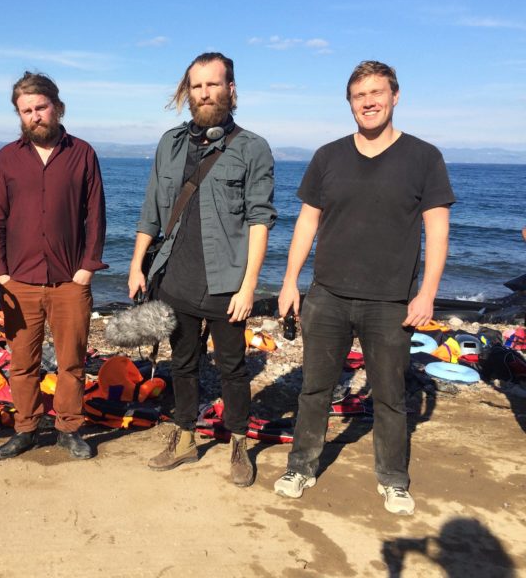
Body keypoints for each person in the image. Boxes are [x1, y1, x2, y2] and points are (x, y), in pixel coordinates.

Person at [273, 61, 455, 515]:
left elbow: (437, 230)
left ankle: (393, 479)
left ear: (395, 96)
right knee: (314, 389)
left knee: (390, 396)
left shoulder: (423, 157)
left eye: (377, 92)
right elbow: (307, 222)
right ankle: (302, 466)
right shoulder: (328, 156)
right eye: (359, 95)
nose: (369, 101)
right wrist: (290, 282)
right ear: (349, 103)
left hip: (391, 301)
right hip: (327, 296)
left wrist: (426, 292)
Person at [128, 52, 276, 487]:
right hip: (175, 278)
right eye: (197, 86)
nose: (205, 92)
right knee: (184, 363)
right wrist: (138, 264)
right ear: (187, 92)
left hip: (227, 284)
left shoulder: (253, 148)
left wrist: (249, 287)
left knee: (232, 369)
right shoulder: (169, 144)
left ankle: (238, 445)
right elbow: (152, 209)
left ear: (231, 89)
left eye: (213, 84)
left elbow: (259, 220)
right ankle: (185, 437)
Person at [0, 72, 107, 460]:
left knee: (71, 361)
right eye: (26, 111)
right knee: (22, 363)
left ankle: (69, 428)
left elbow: (95, 215)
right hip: (18, 280)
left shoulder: (82, 152)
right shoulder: (7, 157)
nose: (35, 116)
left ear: (57, 107)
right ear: (19, 116)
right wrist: (0, 271)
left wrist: (87, 268)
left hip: (70, 280)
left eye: (41, 107)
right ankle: (26, 428)